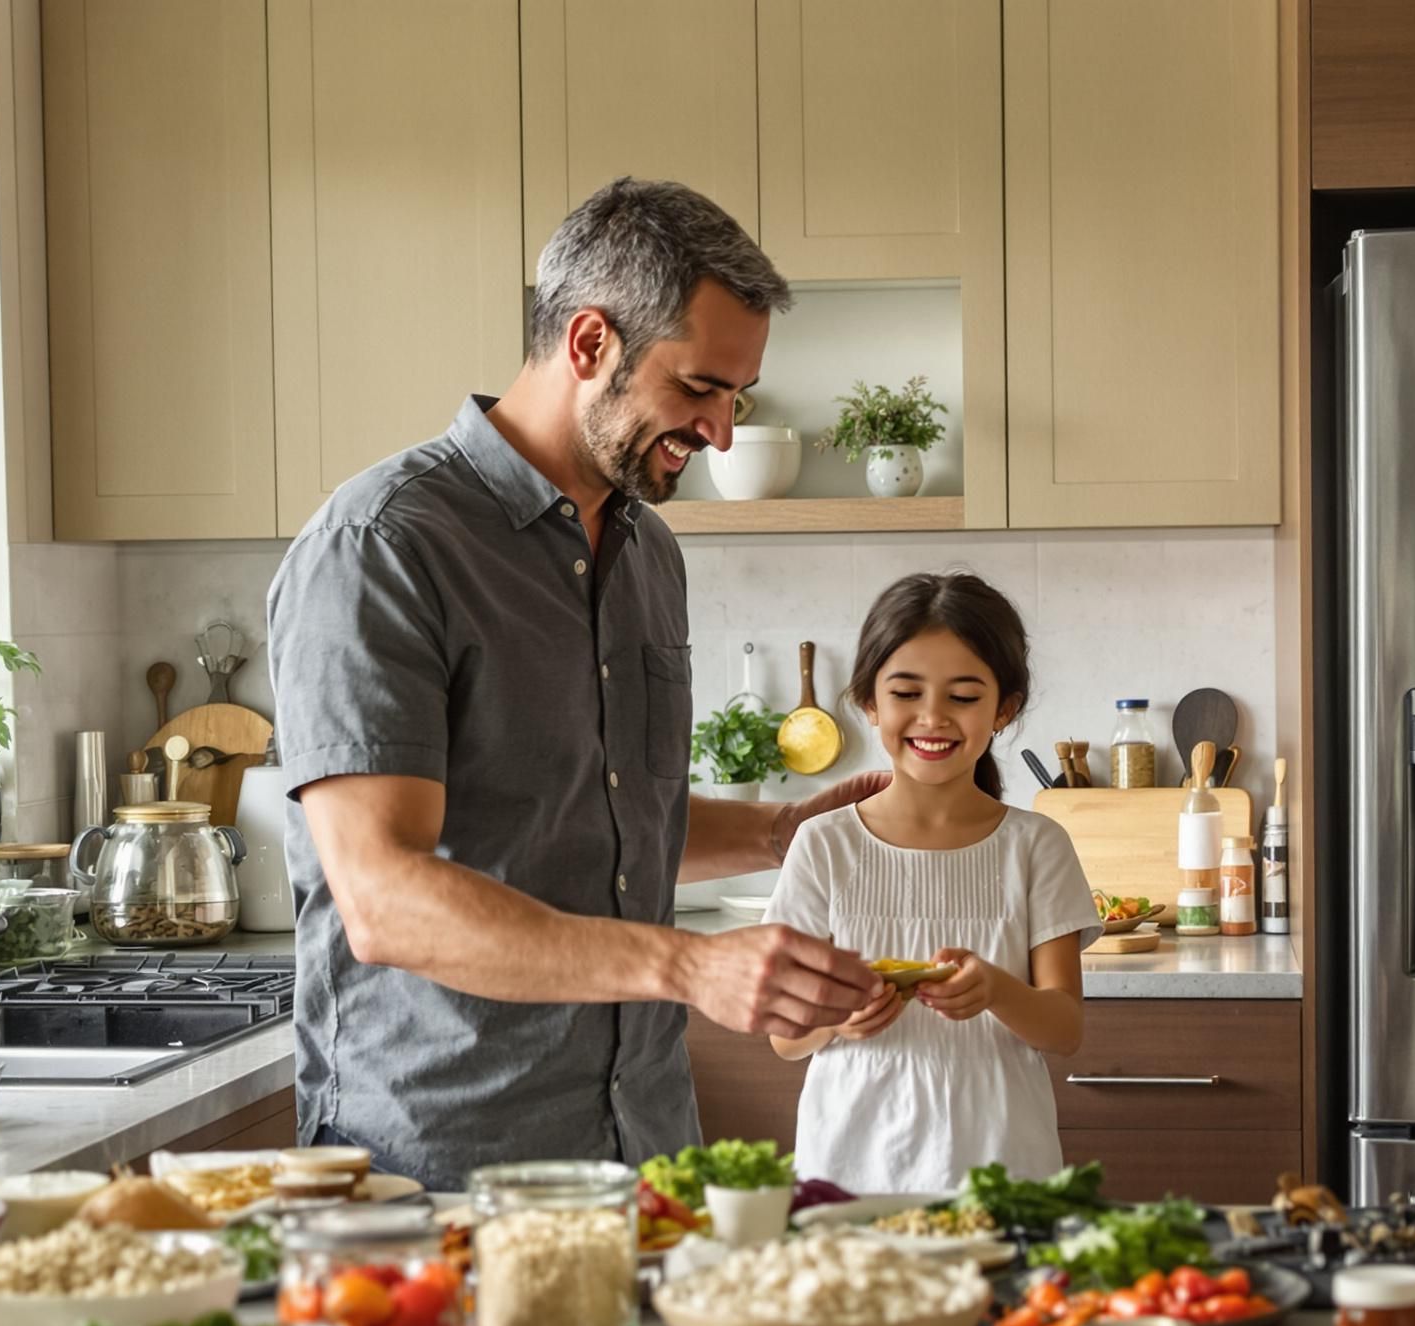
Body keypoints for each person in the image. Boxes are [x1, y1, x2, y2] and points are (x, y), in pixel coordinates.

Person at [265, 178, 886, 1191]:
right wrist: (688, 966)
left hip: (644, 1136)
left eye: (736, 397)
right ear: (590, 341)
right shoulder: (382, 545)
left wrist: (783, 834)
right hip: (444, 1157)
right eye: (699, 389)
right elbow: (383, 898)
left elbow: (595, 817)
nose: (721, 433)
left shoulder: (646, 550)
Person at [765, 573, 1099, 1192]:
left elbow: (1065, 1029)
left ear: (1004, 709)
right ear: (869, 702)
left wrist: (997, 989)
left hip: (1003, 1162)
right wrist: (838, 1018)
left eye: (964, 696)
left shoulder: (1036, 845)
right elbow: (785, 1036)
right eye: (906, 692)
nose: (933, 717)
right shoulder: (824, 845)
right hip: (851, 1163)